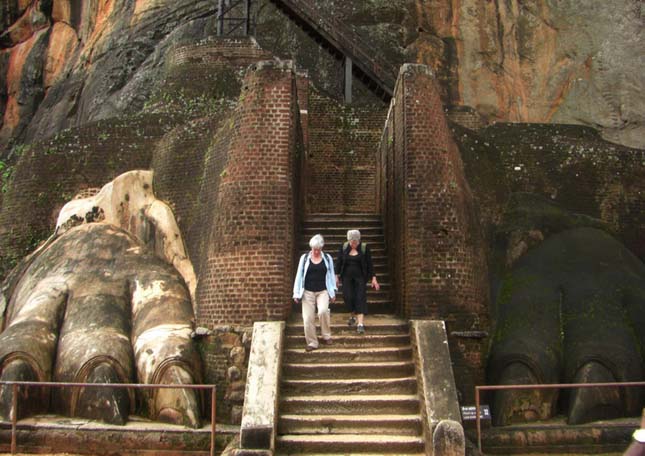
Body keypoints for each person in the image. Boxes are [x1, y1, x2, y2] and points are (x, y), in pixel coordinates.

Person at [293, 234, 336, 351]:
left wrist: (333, 292)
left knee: (322, 311)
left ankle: (326, 335)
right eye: (314, 249)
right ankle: (312, 342)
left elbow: (331, 275)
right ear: (311, 248)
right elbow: (299, 276)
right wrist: (296, 293)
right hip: (307, 291)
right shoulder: (305, 258)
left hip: (323, 290)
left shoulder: (327, 258)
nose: (316, 252)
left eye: (318, 249)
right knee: (307, 318)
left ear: (321, 248)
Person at [335, 229, 379, 334]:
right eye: (351, 242)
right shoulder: (344, 247)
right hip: (346, 278)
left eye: (355, 242)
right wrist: (336, 276)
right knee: (348, 297)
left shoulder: (364, 248)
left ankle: (360, 324)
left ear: (358, 240)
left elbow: (370, 263)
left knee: (360, 298)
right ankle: (352, 316)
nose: (353, 244)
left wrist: (374, 278)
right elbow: (339, 262)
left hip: (360, 278)